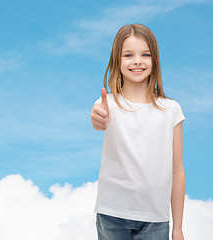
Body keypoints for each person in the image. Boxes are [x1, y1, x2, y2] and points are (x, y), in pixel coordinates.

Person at [90, 24, 185, 240]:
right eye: (128, 55)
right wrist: (98, 118)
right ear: (117, 60)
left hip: (155, 219)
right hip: (111, 214)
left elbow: (177, 171)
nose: (137, 61)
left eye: (145, 54)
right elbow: (98, 120)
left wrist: (177, 227)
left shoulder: (171, 110)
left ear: (155, 60)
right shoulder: (107, 105)